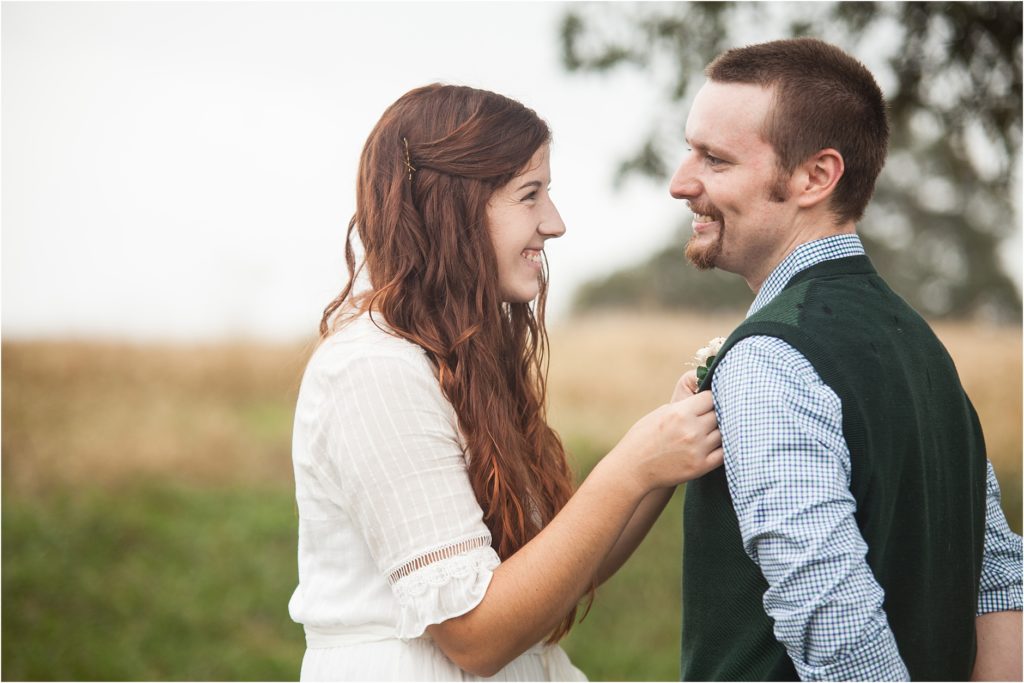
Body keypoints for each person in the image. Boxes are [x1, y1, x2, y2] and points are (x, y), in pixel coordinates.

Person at [288, 83, 724, 681]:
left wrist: (662, 459)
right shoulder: (373, 370)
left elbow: (558, 572)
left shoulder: (461, 360)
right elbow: (475, 637)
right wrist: (633, 464)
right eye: (529, 195)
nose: (555, 223)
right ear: (453, 207)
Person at [668, 37, 1023, 681]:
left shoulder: (769, 359)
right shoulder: (924, 346)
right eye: (690, 149)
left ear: (815, 177)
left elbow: (833, 617)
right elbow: (997, 576)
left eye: (715, 160)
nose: (680, 182)